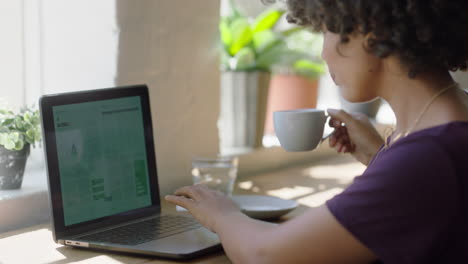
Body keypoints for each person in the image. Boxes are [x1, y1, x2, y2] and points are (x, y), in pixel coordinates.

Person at [166, 0, 468, 263]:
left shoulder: (428, 158)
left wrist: (223, 214)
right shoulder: (448, 125)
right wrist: (380, 157)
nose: (324, 53)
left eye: (326, 30)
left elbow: (265, 254)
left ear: (370, 31)